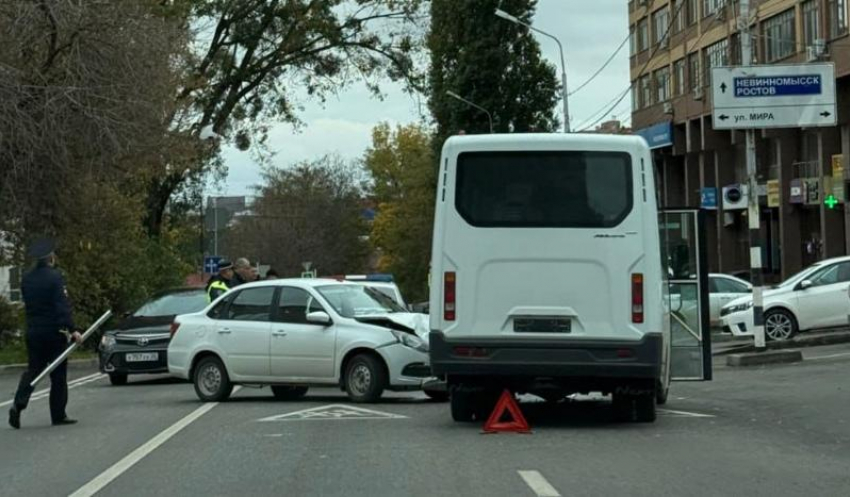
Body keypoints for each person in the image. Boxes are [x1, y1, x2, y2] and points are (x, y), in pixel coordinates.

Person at [9, 238, 81, 429]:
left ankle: (18, 404)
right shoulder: (55, 277)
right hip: (53, 332)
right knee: (58, 375)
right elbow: (61, 306)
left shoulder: (27, 278)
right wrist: (73, 329)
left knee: (33, 371)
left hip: (33, 331)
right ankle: (58, 414)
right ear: (50, 256)